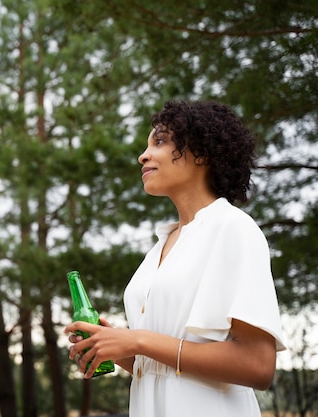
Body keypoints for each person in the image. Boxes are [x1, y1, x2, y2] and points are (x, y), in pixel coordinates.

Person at [64, 101, 286, 417]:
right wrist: (113, 344)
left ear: (202, 153)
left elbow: (257, 366)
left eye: (160, 141)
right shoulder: (162, 245)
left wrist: (138, 340)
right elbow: (159, 367)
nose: (143, 155)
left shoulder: (233, 228)